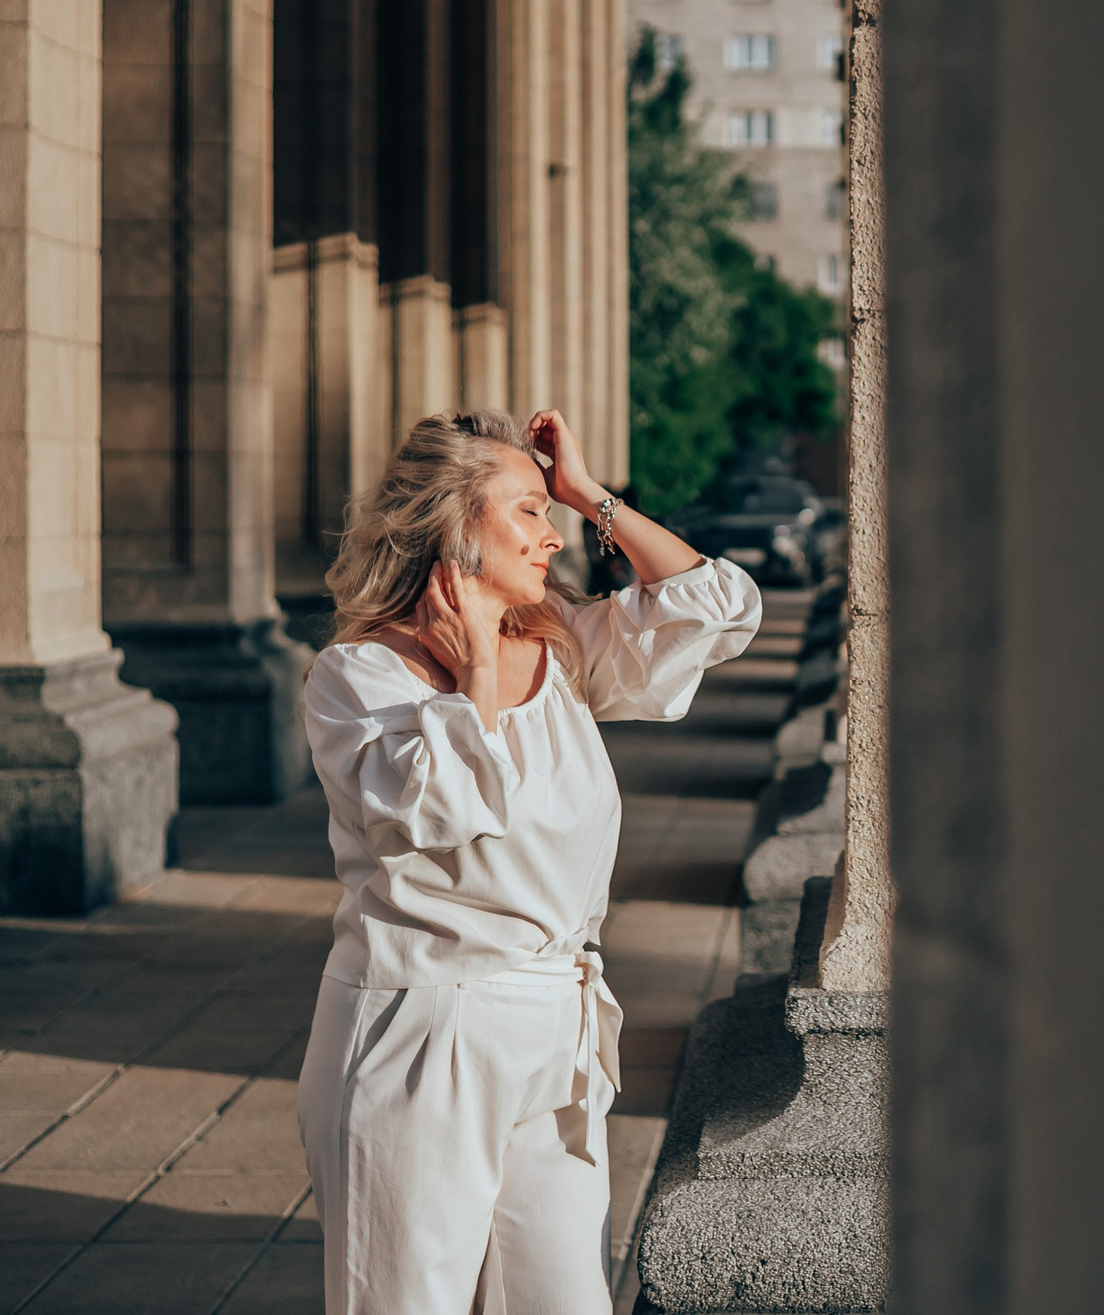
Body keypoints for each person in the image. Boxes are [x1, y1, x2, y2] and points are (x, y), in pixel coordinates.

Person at [295, 408, 761, 1314]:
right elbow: (443, 805)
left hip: (559, 1028)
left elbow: (719, 605)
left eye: (552, 513)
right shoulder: (358, 680)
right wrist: (471, 673)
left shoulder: (561, 648)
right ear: (452, 522)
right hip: (422, 1032)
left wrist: (593, 497)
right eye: (527, 511)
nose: (553, 537)